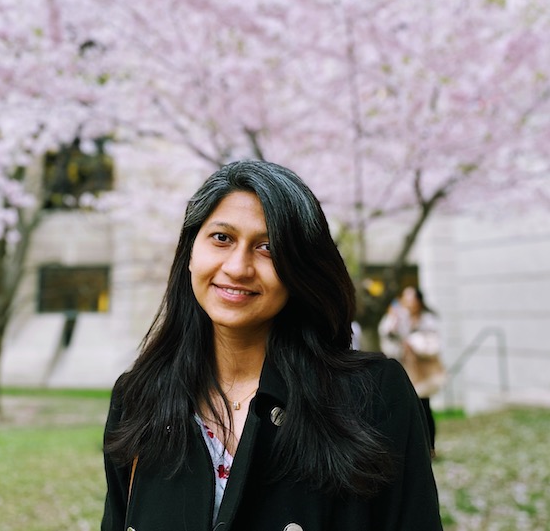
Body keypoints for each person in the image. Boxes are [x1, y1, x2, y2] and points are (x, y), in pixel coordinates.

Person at [101, 160, 442, 531]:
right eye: (222, 238)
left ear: (301, 269)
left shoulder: (373, 395)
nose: (237, 267)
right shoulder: (138, 398)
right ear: (190, 253)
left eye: (267, 247)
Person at [378, 286, 446, 456]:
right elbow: (388, 334)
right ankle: (415, 448)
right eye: (405, 297)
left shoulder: (427, 320)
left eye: (411, 298)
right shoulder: (400, 317)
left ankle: (429, 447)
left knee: (424, 407)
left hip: (424, 369)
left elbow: (433, 344)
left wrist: (413, 343)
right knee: (408, 407)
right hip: (407, 368)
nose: (408, 302)